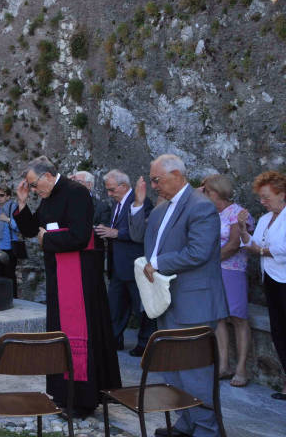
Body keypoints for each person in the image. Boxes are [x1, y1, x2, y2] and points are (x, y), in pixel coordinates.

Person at [128, 154, 228, 437]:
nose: (154, 184)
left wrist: (157, 264)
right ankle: (187, 424)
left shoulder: (201, 207)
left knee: (196, 372)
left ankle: (207, 431)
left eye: (157, 179)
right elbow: (138, 236)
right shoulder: (161, 210)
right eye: (152, 179)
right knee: (172, 369)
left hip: (194, 304)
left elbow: (199, 252)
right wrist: (138, 202)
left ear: (177, 175)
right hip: (166, 302)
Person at [15, 156, 121, 417]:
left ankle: (83, 400)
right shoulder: (48, 196)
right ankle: (64, 394)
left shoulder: (76, 193)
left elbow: (79, 235)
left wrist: (47, 239)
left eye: (33, 185)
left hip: (79, 278)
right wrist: (21, 202)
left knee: (81, 336)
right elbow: (32, 230)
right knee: (59, 334)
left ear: (48, 175)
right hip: (59, 275)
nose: (33, 190)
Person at [95, 169, 155, 357]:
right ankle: (114, 340)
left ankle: (146, 344)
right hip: (117, 265)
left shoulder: (140, 202)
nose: (109, 194)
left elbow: (143, 232)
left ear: (124, 186)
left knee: (141, 307)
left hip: (134, 264)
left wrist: (116, 233)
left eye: (112, 190)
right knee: (115, 305)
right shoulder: (117, 204)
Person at [201, 173, 252, 387]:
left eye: (207, 191)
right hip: (214, 270)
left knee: (238, 318)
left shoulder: (238, 213)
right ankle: (223, 365)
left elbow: (233, 244)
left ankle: (241, 368)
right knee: (218, 317)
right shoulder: (211, 212)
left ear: (216, 192)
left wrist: (209, 262)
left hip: (232, 270)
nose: (203, 195)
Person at [239, 170, 286, 401]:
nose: (262, 202)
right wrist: (242, 229)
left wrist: (261, 251)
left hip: (285, 280)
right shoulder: (267, 219)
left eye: (266, 197)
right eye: (260, 197)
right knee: (278, 331)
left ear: (282, 194)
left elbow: (283, 250)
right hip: (272, 280)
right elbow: (252, 244)